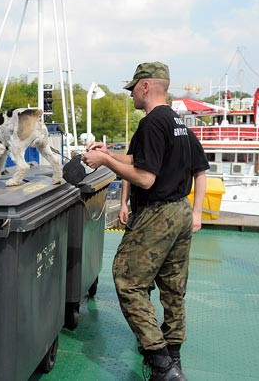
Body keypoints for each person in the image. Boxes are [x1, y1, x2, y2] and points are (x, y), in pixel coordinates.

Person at [82, 62, 209, 381]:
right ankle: (174, 357)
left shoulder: (153, 123)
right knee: (172, 285)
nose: (132, 97)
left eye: (133, 90)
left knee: (127, 278)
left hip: (158, 213)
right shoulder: (176, 122)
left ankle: (161, 362)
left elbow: (145, 177)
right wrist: (110, 152)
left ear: (145, 87)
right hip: (180, 210)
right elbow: (144, 160)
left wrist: (105, 161)